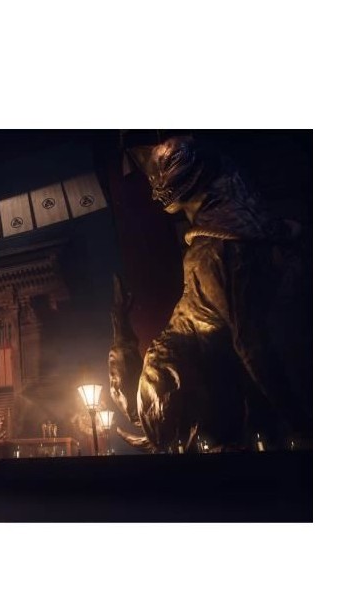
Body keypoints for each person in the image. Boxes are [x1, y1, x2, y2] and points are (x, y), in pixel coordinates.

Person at [109, 137, 309, 452]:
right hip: (186, 380)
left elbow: (252, 345)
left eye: (166, 169)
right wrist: (302, 424)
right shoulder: (212, 252)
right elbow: (250, 345)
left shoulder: (218, 249)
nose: (155, 186)